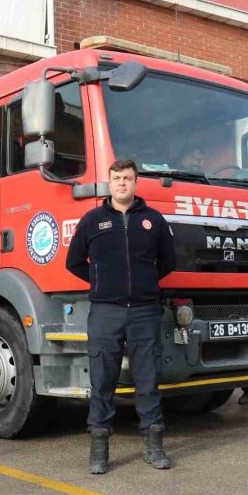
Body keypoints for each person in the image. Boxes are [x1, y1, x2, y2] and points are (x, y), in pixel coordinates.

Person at [66, 159, 177, 475]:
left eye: (127, 178)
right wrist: (101, 282)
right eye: (117, 179)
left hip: (144, 312)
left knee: (148, 381)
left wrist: (142, 283)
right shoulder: (92, 220)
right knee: (102, 381)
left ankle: (153, 446)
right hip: (106, 313)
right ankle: (99, 449)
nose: (122, 184)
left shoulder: (153, 221)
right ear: (109, 183)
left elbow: (167, 262)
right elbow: (74, 262)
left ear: (136, 182)